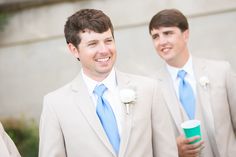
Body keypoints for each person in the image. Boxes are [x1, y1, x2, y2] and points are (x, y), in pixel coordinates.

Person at [39, 8, 178, 157]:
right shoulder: (55, 105)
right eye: (93, 44)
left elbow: (167, 152)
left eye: (108, 41)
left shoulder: (149, 89)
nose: (104, 50)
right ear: (74, 50)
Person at [148, 8, 236, 157]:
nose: (161, 41)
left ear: (186, 34)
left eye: (168, 33)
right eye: (155, 36)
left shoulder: (221, 71)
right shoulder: (151, 87)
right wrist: (175, 150)